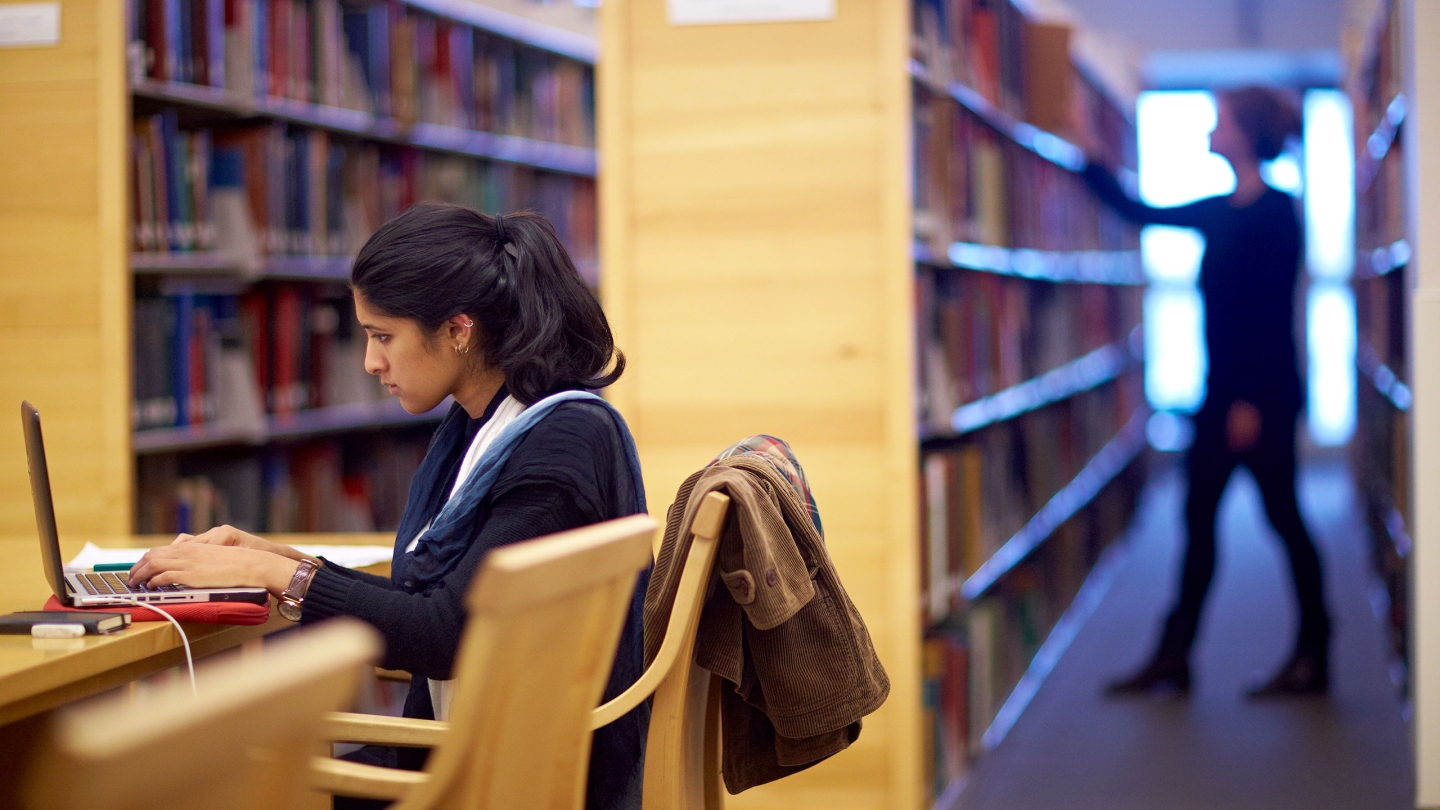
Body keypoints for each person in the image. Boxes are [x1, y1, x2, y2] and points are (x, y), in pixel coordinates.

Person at [127, 204, 651, 809]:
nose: (371, 362)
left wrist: (275, 576)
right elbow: (438, 604)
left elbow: (444, 634)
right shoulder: (496, 422)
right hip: (499, 753)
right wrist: (275, 558)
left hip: (508, 778)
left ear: (459, 329)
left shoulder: (558, 444)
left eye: (382, 337)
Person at [1082, 86, 1331, 697]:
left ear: (1245, 135)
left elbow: (1270, 318)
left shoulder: (1277, 213)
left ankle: (1315, 652)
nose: (1208, 133)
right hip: (1220, 393)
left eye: (1218, 122)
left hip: (1259, 396)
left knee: (1282, 517)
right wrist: (1087, 152)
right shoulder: (1219, 209)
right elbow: (1140, 212)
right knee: (1200, 518)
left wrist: (1246, 404)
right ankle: (1175, 654)